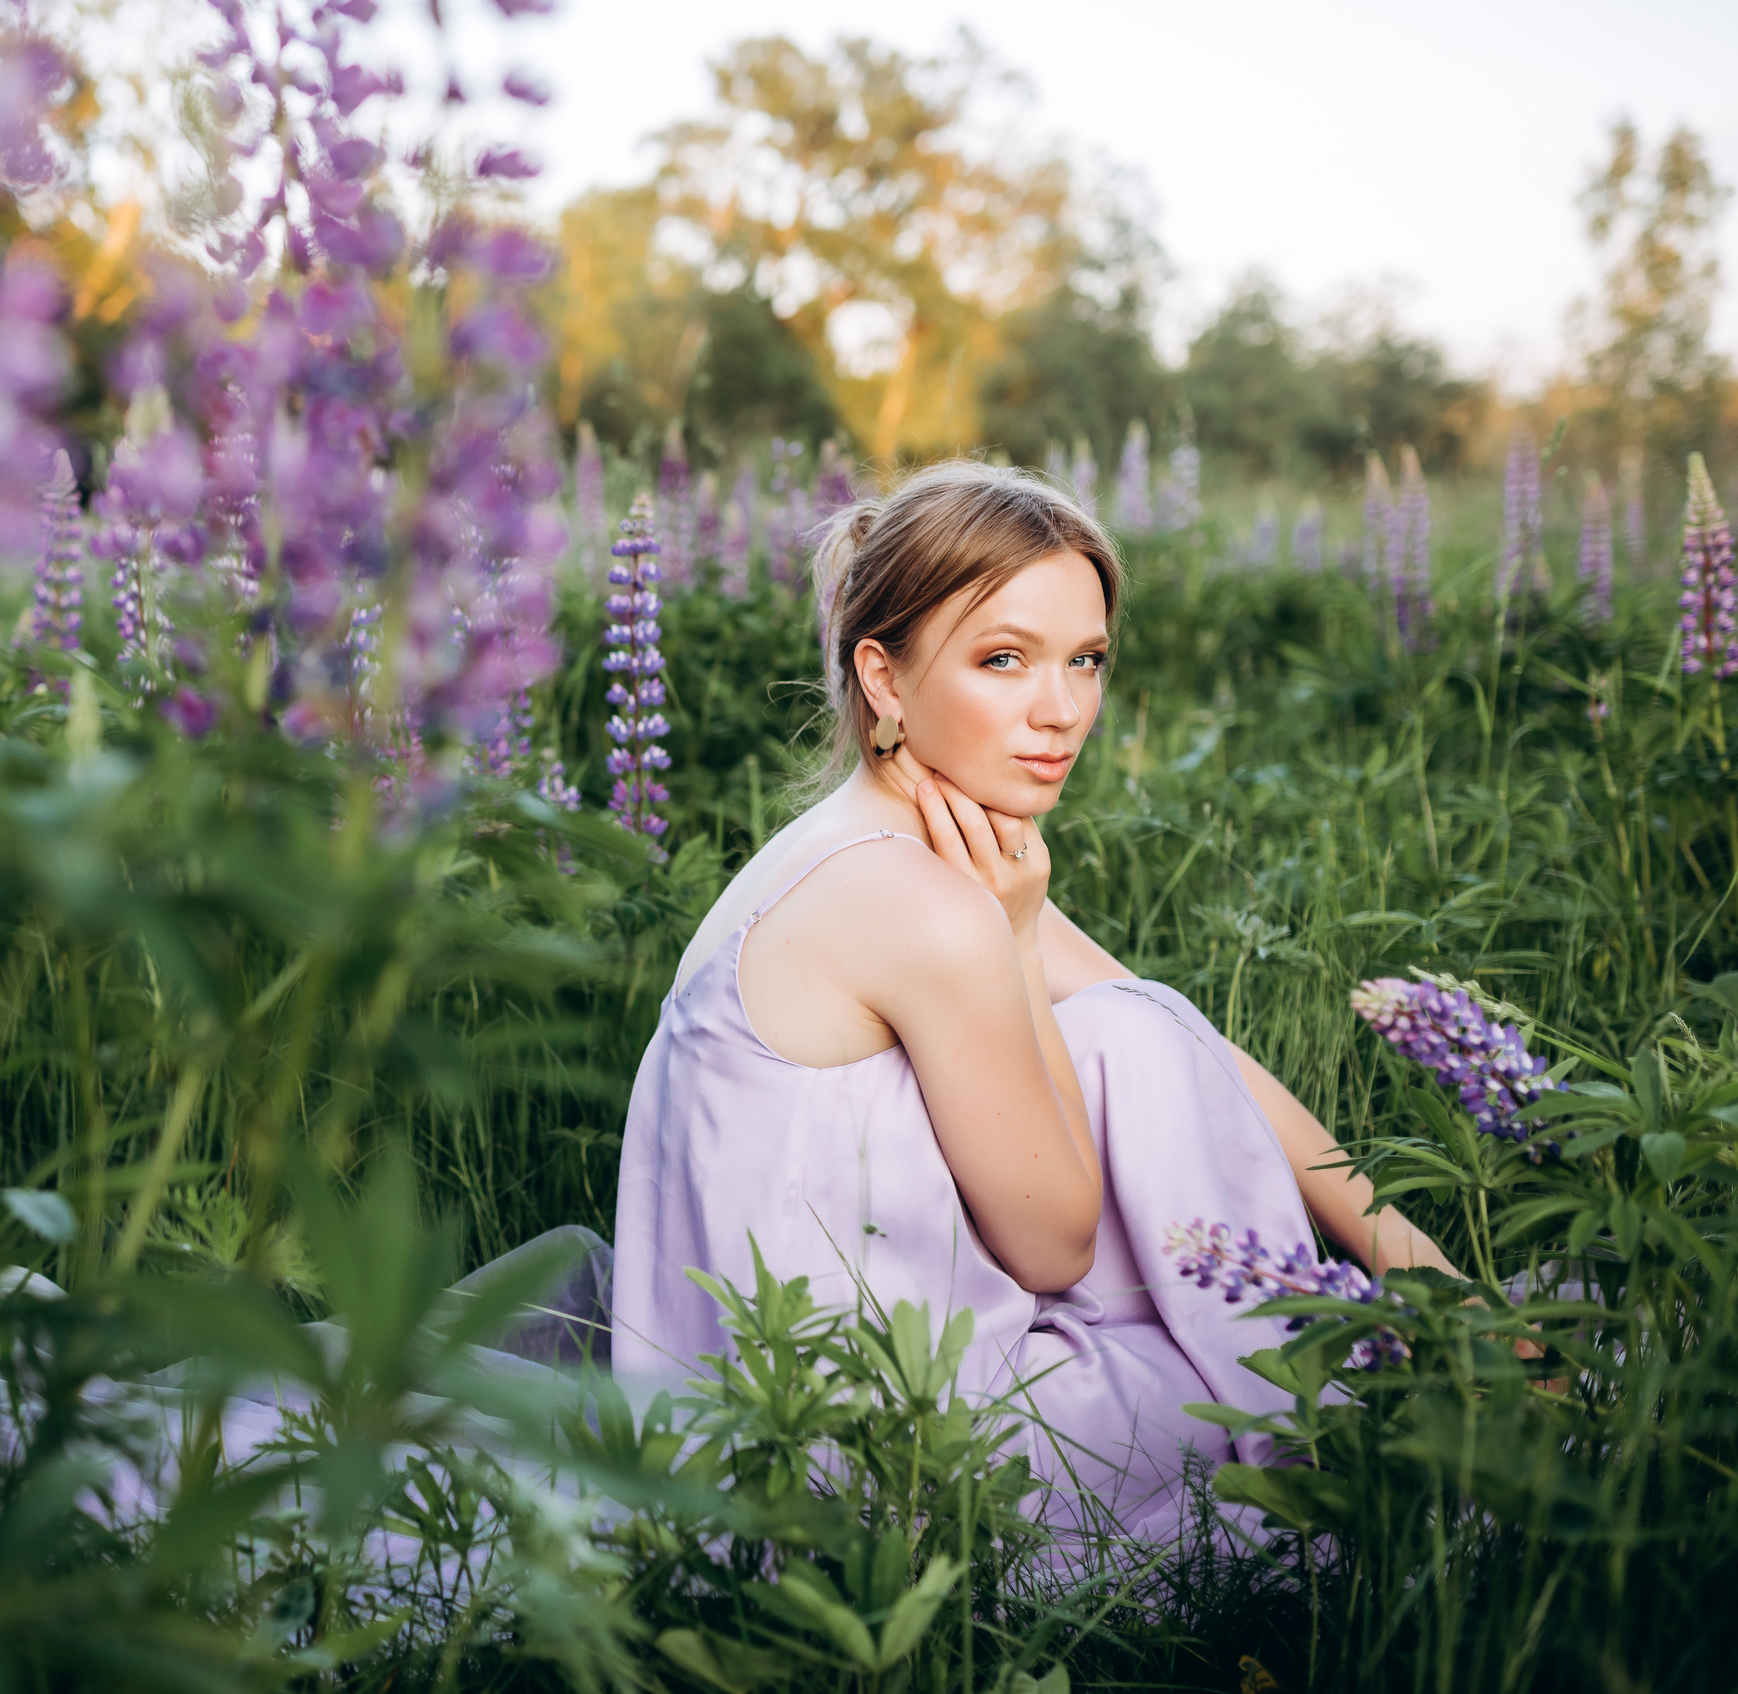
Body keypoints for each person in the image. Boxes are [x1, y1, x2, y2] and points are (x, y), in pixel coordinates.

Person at [611, 461, 1453, 1540]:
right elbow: (1050, 1250)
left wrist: (1417, 1262)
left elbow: (1190, 1045)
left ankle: (1409, 1332)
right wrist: (1010, 936)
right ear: (885, 678)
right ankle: (1381, 1388)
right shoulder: (926, 904)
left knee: (1132, 1028)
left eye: (1085, 661)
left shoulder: (860, 842)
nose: (1060, 712)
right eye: (1002, 660)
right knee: (1324, 1426)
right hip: (875, 1461)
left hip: (751, 1421)